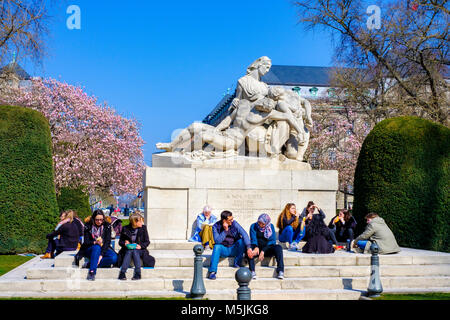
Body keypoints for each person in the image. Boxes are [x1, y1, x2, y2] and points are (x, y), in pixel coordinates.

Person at [207, 210, 253, 280]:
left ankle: (237, 262)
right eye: (230, 220)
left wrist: (249, 248)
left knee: (241, 241)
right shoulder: (215, 226)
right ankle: (212, 272)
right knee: (216, 247)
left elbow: (244, 234)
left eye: (232, 219)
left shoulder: (234, 224)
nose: (232, 221)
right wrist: (225, 230)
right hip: (223, 249)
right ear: (224, 220)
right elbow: (217, 241)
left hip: (233, 249)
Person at [75, 209, 118, 281]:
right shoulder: (88, 226)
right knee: (96, 247)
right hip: (90, 248)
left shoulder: (107, 226)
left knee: (114, 257)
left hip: (103, 247)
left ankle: (90, 264)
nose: (99, 221)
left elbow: (107, 242)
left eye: (101, 219)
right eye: (97, 220)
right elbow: (86, 242)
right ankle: (92, 272)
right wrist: (94, 242)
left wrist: (101, 255)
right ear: (93, 219)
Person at [117, 212, 155, 280]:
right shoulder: (125, 228)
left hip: (140, 250)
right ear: (135, 222)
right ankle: (123, 273)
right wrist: (124, 243)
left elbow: (147, 241)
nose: (142, 222)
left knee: (134, 251)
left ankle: (137, 273)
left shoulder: (143, 228)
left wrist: (140, 246)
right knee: (130, 250)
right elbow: (120, 242)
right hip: (127, 249)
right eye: (140, 221)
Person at [248, 214, 284, 280]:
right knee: (250, 249)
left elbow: (272, 241)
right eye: (259, 222)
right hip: (257, 249)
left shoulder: (271, 227)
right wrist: (256, 247)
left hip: (267, 249)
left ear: (266, 223)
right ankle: (252, 271)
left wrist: (263, 251)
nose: (260, 225)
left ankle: (280, 271)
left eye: (263, 224)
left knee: (278, 247)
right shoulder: (253, 226)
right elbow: (253, 239)